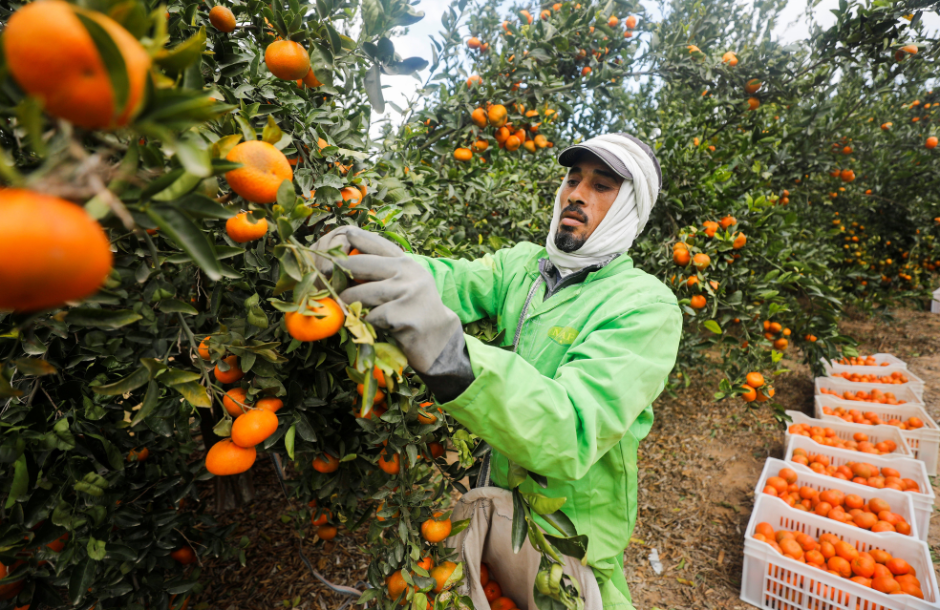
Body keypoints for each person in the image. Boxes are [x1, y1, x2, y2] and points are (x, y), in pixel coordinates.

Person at [314, 133, 682, 609]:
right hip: (494, 501)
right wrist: (378, 265)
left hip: (568, 535)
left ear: (631, 208)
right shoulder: (523, 267)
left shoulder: (644, 307)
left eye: (601, 185)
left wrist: (452, 355)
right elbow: (451, 280)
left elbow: (570, 428)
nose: (576, 193)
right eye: (573, 179)